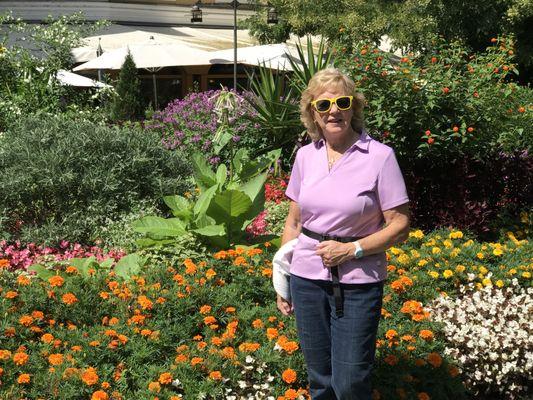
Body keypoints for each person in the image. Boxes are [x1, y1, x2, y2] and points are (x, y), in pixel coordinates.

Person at [277, 68, 410, 400]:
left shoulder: (380, 157)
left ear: (354, 108)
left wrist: (352, 251)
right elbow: (293, 223)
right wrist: (283, 279)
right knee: (320, 378)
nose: (333, 110)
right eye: (324, 104)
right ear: (313, 113)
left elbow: (400, 225)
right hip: (306, 280)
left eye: (342, 102)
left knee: (350, 380)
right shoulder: (306, 156)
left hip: (357, 283)